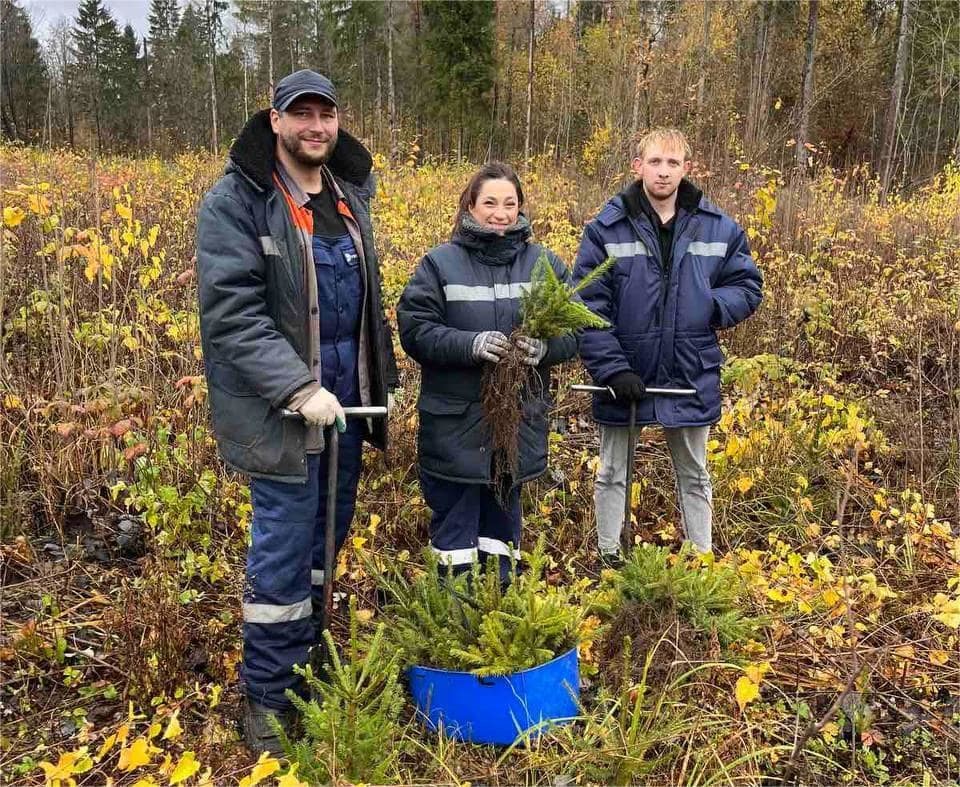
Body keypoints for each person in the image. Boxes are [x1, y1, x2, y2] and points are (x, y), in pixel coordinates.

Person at [195, 69, 399, 754]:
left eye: (326, 114)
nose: (316, 126)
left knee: (323, 548)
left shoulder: (348, 195)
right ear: (275, 121)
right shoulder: (238, 202)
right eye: (301, 114)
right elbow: (233, 315)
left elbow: (366, 300)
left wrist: (381, 374)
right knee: (281, 560)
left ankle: (303, 665)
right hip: (285, 416)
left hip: (344, 407)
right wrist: (296, 388)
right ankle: (266, 696)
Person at [573, 128, 762, 563]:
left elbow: (747, 285)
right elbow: (586, 302)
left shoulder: (718, 227)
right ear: (637, 166)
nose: (663, 171)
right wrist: (612, 369)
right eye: (655, 162)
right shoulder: (606, 228)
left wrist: (710, 308)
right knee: (612, 472)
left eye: (673, 163)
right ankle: (610, 558)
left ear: (686, 169)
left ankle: (700, 560)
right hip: (625, 372)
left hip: (689, 369)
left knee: (695, 472)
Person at [397, 162, 576, 582]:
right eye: (490, 203)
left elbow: (575, 329)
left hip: (515, 429)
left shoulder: (544, 264)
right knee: (454, 540)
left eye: (510, 204)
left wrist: (545, 349)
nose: (501, 213)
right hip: (455, 428)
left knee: (502, 536)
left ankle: (499, 623)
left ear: (521, 209)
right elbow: (416, 330)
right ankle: (453, 623)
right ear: (470, 207)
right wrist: (470, 344)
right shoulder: (439, 265)